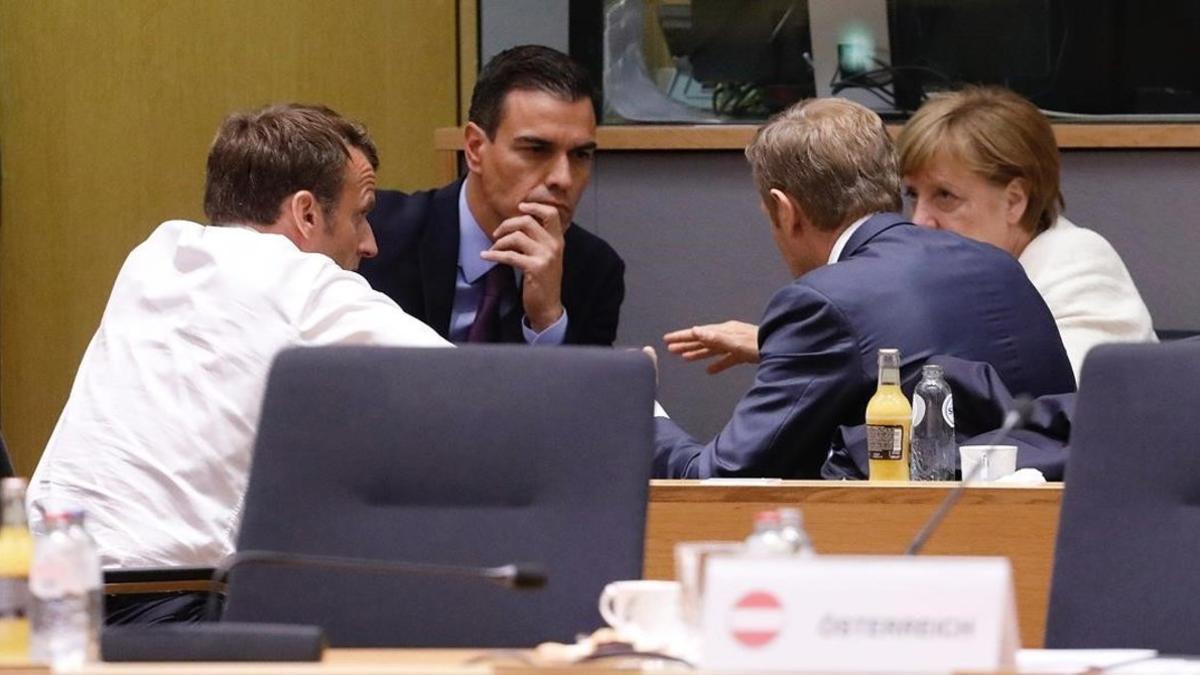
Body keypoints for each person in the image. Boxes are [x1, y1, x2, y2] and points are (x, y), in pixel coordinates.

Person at [29, 104, 450, 594]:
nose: (370, 243)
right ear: (307, 213)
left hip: (38, 590)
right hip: (167, 603)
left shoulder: (154, 256)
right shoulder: (299, 279)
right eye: (361, 216)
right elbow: (467, 383)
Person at [655, 98, 1075, 479]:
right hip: (1044, 534)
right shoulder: (999, 263)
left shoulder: (820, 303)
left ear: (786, 211)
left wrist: (640, 414)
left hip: (914, 547)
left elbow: (722, 477)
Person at [358, 45, 625, 346]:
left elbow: (587, 391)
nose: (563, 178)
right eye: (536, 150)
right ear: (474, 148)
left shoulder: (594, 269)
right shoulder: (374, 237)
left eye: (580, 154)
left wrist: (547, 319)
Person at [898, 86, 1157, 379]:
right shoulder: (935, 280)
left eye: (945, 195)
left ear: (1014, 201)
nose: (918, 221)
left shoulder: (1081, 265)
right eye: (913, 194)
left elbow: (1054, 403)